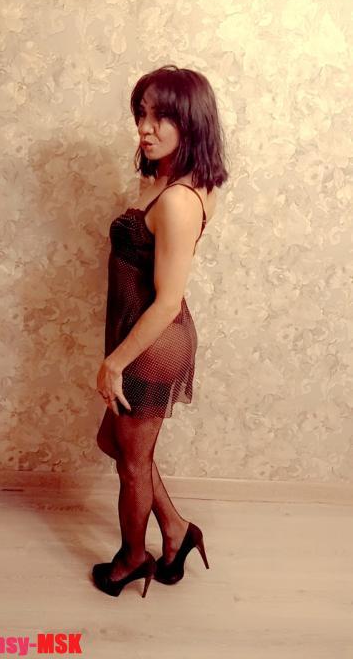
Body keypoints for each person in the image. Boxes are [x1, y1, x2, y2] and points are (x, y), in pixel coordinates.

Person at [92, 64, 229, 597]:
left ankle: (131, 560)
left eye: (160, 117)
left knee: (131, 465)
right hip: (142, 333)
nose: (144, 128)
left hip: (153, 343)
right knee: (116, 443)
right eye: (141, 114)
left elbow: (168, 301)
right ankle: (176, 530)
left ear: (190, 122)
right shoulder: (173, 181)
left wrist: (114, 362)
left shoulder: (177, 200)